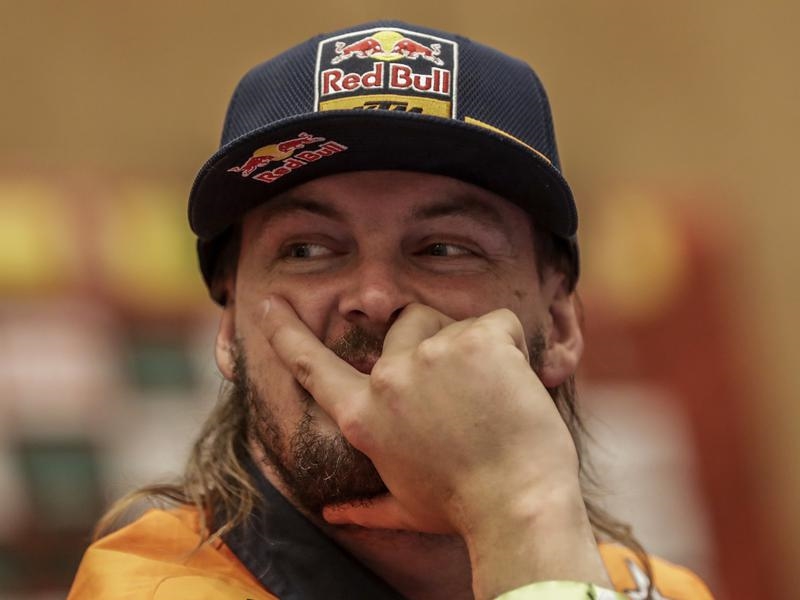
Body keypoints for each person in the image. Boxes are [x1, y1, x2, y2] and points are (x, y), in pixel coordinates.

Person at [68, 21, 714, 600]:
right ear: (231, 329)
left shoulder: (664, 592)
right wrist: (521, 512)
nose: (374, 299)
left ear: (562, 324)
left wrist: (526, 528)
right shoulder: (150, 589)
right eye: (308, 249)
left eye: (444, 249)